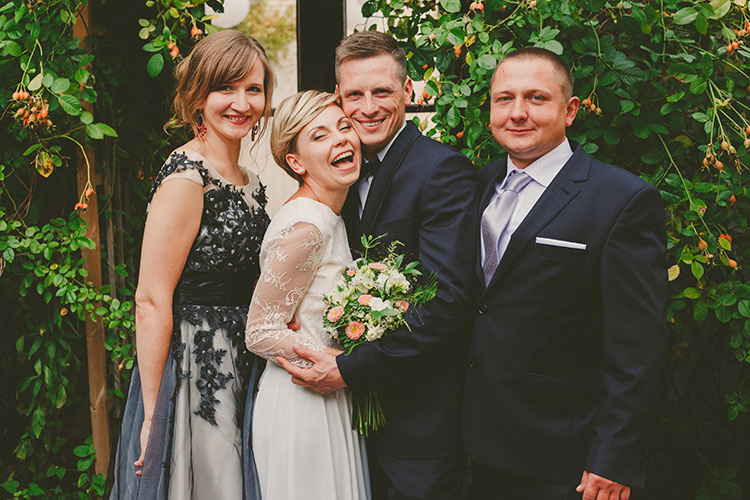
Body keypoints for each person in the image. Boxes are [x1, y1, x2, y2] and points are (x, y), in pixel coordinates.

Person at [277, 31, 478, 500]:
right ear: (339, 97)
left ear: (408, 91)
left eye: (382, 92)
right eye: (354, 95)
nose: (367, 108)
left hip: (419, 421)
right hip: (344, 421)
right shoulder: (338, 173)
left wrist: (352, 368)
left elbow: (445, 302)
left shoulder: (442, 170)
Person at [463, 47, 668, 500]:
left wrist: (614, 458)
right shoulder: (474, 185)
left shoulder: (621, 200)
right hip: (474, 446)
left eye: (536, 98)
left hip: (564, 455)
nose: (517, 112)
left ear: (570, 110)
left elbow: (637, 346)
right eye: (504, 99)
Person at [108, 30, 274, 500]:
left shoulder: (248, 178)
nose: (242, 103)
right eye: (226, 88)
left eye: (253, 89)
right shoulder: (187, 177)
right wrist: (155, 416)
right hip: (196, 369)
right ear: (199, 95)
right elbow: (151, 299)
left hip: (244, 360)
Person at [244, 90, 369, 499]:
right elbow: (260, 331)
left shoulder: (330, 215)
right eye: (320, 135)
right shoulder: (308, 226)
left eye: (344, 126)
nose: (340, 139)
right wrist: (336, 361)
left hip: (326, 390)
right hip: (301, 401)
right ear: (296, 163)